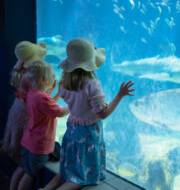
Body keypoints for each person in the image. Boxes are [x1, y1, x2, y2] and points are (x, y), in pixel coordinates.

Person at [42, 38, 134, 190]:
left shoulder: (65, 82)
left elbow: (70, 101)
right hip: (88, 134)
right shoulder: (92, 84)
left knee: (65, 173)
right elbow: (103, 114)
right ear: (90, 62)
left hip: (72, 130)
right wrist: (120, 95)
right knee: (78, 179)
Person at [10, 61, 69, 190]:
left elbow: (48, 106)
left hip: (28, 141)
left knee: (21, 168)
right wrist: (73, 104)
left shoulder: (32, 93)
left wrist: (58, 93)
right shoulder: (43, 98)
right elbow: (59, 112)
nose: (54, 80)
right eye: (53, 78)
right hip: (39, 145)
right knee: (29, 174)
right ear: (45, 79)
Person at [0, 41, 47, 162]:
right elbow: (39, 95)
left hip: (17, 107)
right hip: (26, 111)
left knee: (12, 138)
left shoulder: (19, 70)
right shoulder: (29, 76)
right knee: (21, 145)